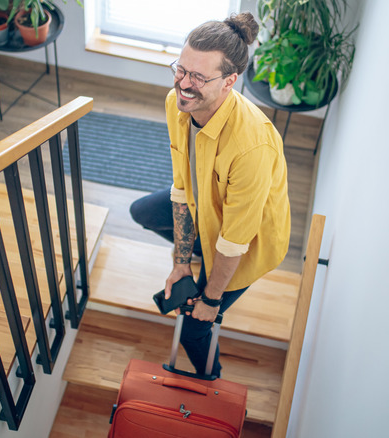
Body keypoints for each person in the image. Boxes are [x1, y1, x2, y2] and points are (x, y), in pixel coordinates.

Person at [129, 12, 291, 378]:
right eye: (181, 69)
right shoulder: (178, 103)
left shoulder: (252, 146)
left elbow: (235, 242)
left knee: (194, 327)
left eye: (199, 77)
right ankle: (203, 254)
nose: (184, 84)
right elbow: (181, 187)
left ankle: (210, 377)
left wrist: (210, 300)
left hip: (249, 243)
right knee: (142, 211)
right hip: (206, 211)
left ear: (229, 82)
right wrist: (181, 262)